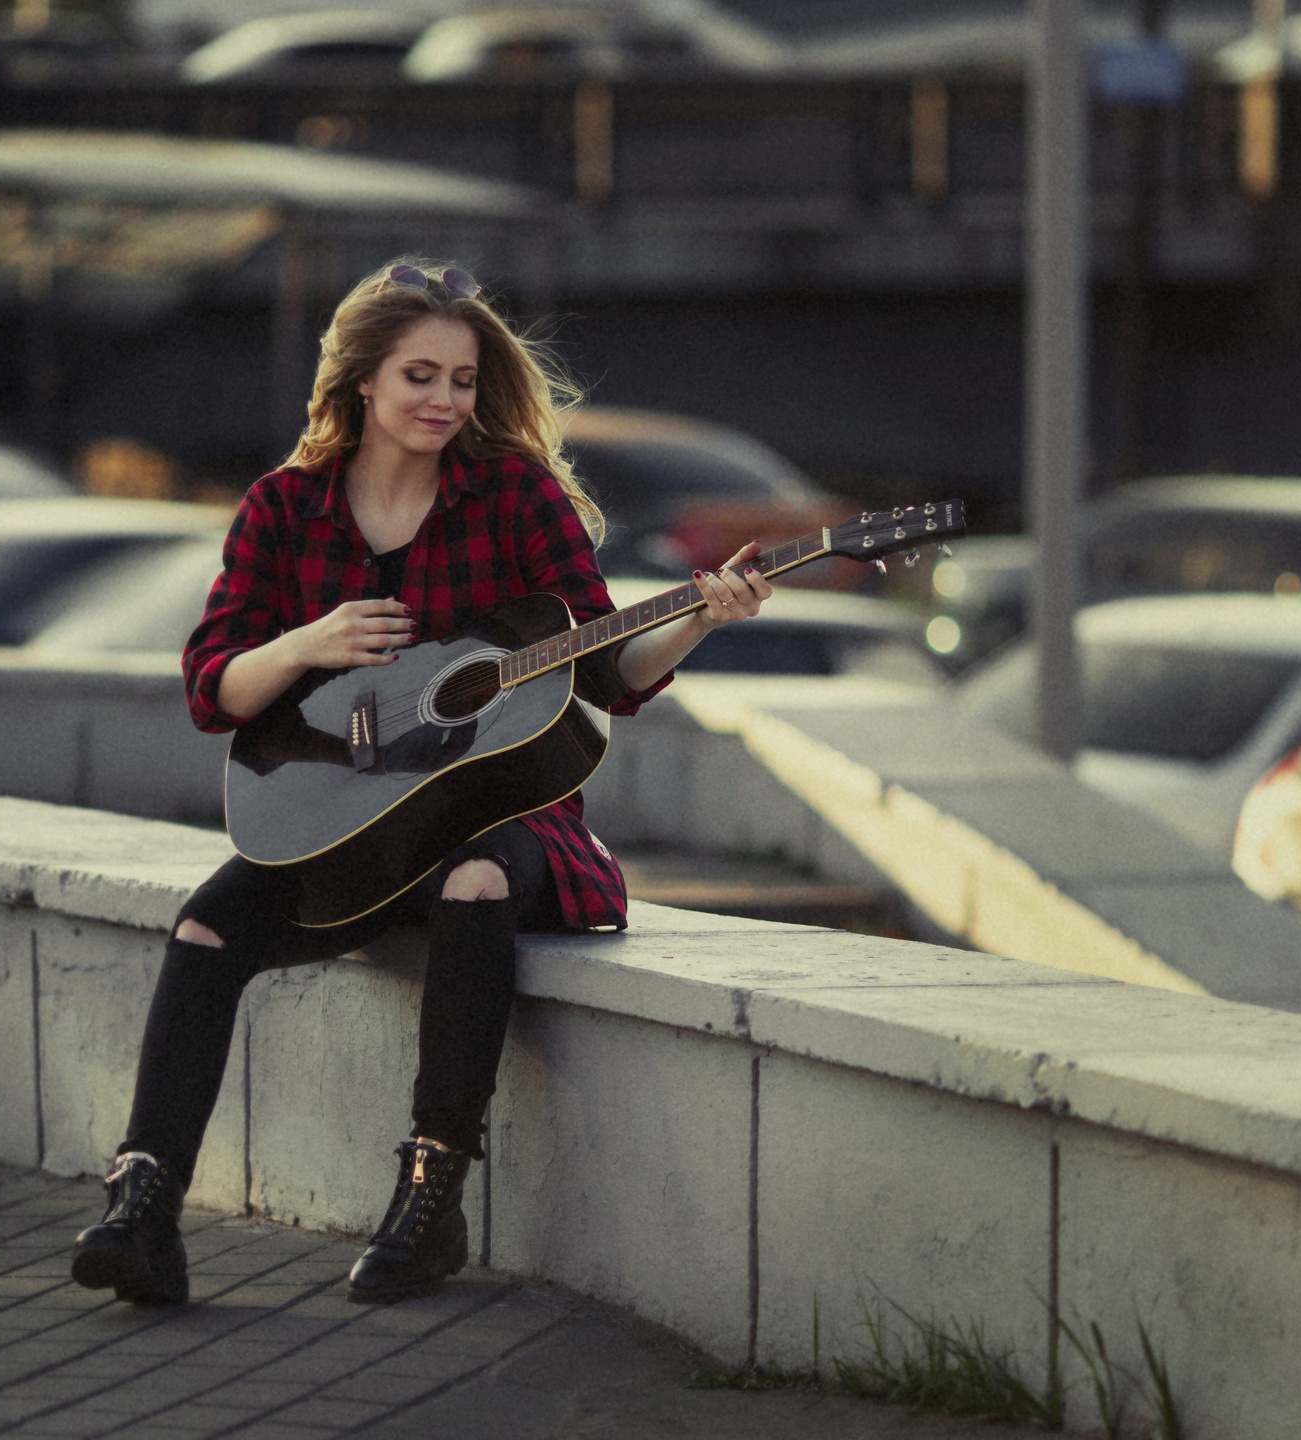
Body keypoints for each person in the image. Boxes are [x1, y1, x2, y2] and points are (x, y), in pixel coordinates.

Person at [68, 259, 773, 1307]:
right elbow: (214, 687)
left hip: (503, 822)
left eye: (462, 380)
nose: (445, 400)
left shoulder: (515, 498)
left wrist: (699, 619)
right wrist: (309, 642)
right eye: (420, 376)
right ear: (361, 380)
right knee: (207, 925)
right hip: (344, 828)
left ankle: (430, 1198)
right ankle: (143, 1207)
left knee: (475, 882)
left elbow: (609, 674)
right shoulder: (284, 509)